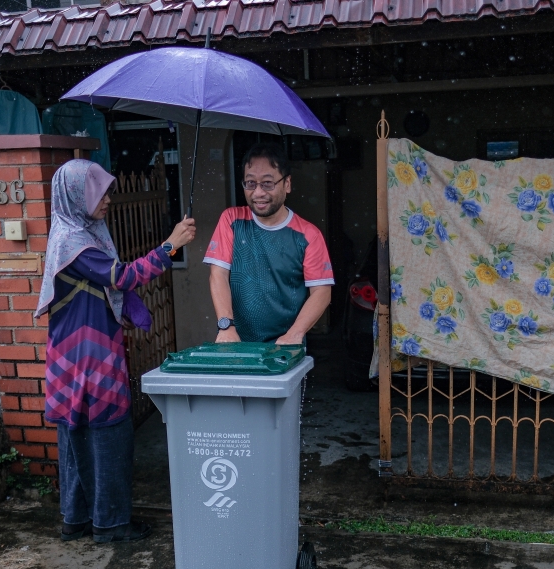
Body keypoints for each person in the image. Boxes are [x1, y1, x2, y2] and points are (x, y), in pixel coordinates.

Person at [36, 159, 195, 543]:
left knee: (76, 437)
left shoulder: (72, 232)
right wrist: (170, 246)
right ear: (77, 196)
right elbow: (120, 277)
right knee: (109, 435)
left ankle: (76, 520)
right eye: (100, 192)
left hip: (69, 353)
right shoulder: (75, 244)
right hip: (90, 356)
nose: (108, 199)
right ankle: (111, 525)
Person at [203, 143, 334, 344]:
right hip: (236, 341)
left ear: (287, 184)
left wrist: (295, 334)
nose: (258, 193)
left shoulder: (308, 235)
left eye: (267, 183)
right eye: (250, 183)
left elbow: (322, 291)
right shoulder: (231, 220)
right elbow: (218, 275)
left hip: (286, 344)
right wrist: (226, 326)